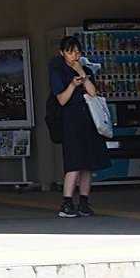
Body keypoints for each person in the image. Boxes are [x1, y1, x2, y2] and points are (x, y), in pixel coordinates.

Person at [47, 35, 109, 219]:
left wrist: (82, 72)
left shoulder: (86, 69)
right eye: (70, 52)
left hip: (89, 120)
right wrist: (73, 85)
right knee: (73, 162)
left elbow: (93, 93)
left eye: (77, 51)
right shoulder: (57, 71)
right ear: (62, 53)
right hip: (70, 120)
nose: (74, 55)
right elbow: (61, 99)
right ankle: (67, 202)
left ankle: (84, 201)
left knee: (88, 164)